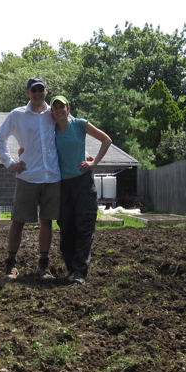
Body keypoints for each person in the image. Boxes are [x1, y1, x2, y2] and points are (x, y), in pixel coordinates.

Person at [0, 77, 61, 281]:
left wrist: (84, 155)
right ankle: (11, 266)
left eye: (41, 90)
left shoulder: (54, 114)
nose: (38, 93)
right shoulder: (18, 115)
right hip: (28, 176)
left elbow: (69, 133)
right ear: (27, 93)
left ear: (46, 91)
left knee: (47, 222)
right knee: (18, 221)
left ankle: (43, 266)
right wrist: (10, 163)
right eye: (34, 90)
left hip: (52, 176)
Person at [50, 95, 112, 284]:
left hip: (83, 183)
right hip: (63, 185)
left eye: (63, 106)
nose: (60, 110)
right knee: (66, 228)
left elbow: (106, 140)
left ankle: (80, 272)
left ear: (68, 108)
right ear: (52, 111)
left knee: (84, 227)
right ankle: (70, 267)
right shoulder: (51, 130)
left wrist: (94, 162)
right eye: (56, 107)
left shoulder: (79, 124)